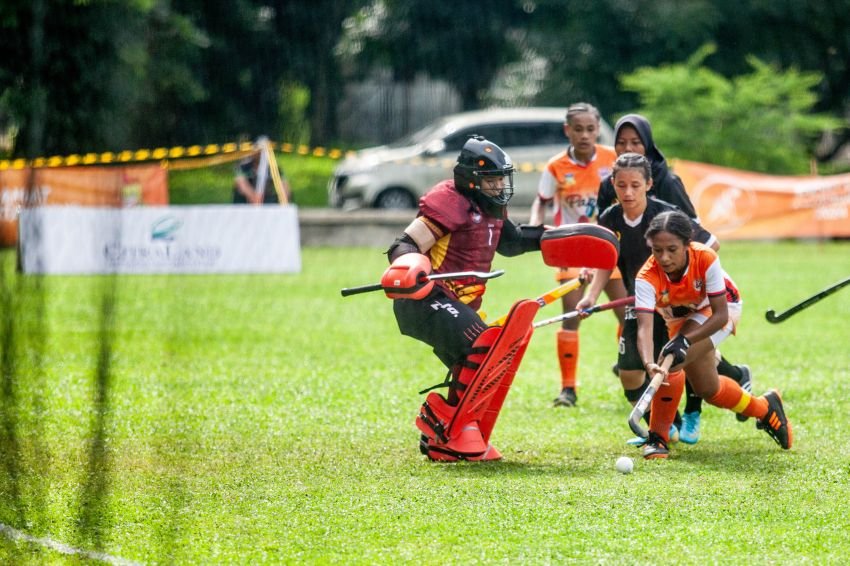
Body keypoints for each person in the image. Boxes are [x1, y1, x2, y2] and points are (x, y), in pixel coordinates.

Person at [384, 135, 546, 461]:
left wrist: (560, 236)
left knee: (484, 360)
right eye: (492, 179)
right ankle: (450, 431)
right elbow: (403, 245)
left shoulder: (491, 209)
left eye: (502, 178)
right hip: (424, 300)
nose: (500, 186)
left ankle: (442, 435)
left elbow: (513, 243)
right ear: (471, 180)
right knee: (483, 346)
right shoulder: (450, 202)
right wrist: (411, 268)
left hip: (456, 306)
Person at [597, 114, 752, 444]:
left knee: (689, 360)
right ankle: (664, 428)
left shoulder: (668, 185)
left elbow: (698, 239)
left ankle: (684, 420)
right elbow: (606, 250)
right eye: (622, 143)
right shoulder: (608, 197)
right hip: (649, 289)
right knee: (655, 359)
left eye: (635, 142)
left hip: (690, 293)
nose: (629, 148)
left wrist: (690, 278)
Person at [578, 153, 717, 443]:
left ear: (649, 184)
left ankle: (673, 424)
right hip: (638, 300)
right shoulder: (609, 218)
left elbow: (708, 244)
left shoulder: (665, 215)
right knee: (630, 372)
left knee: (679, 362)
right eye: (621, 185)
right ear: (613, 184)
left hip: (671, 304)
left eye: (635, 185)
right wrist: (590, 297)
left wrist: (693, 288)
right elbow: (607, 262)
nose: (627, 192)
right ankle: (668, 423)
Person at [634, 210, 792, 459]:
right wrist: (647, 363)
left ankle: (658, 438)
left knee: (672, 359)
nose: (664, 258)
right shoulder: (646, 277)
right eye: (657, 250)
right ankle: (765, 408)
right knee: (709, 389)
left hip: (722, 307)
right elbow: (644, 327)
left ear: (687, 244)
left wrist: (685, 340)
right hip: (681, 314)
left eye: (672, 249)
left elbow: (718, 315)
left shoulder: (705, 257)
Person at [529, 102, 624, 408]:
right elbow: (541, 201)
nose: (585, 135)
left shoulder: (613, 159)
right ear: (567, 130)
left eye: (591, 129)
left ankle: (628, 362)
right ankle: (568, 389)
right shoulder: (556, 166)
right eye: (578, 129)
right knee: (572, 315)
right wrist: (534, 227)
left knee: (627, 313)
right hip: (572, 248)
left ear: (598, 130)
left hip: (609, 245)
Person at [233, 136, 292, 205]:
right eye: (260, 150)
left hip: (266, 203)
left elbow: (284, 185)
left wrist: (284, 199)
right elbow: (241, 184)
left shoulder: (274, 168)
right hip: (245, 204)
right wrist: (253, 196)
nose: (262, 154)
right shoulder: (244, 166)